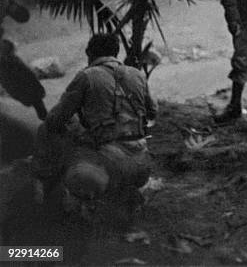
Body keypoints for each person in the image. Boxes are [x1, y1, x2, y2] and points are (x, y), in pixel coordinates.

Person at [33, 33, 156, 209]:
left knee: (47, 129)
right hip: (141, 166)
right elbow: (152, 113)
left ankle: (44, 190)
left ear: (89, 53)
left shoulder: (87, 76)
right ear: (116, 52)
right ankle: (126, 194)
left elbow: (56, 120)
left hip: (106, 166)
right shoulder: (137, 75)